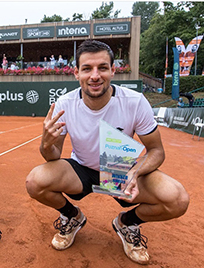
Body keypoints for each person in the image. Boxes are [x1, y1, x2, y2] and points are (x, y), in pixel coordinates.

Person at [26, 40, 189, 265]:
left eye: (102, 68)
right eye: (87, 69)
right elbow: (52, 156)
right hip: (80, 168)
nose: (95, 75)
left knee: (178, 199)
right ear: (76, 73)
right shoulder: (65, 104)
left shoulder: (134, 101)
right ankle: (73, 217)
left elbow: (156, 151)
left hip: (120, 169)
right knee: (35, 181)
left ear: (113, 70)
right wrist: (45, 143)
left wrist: (136, 172)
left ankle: (127, 222)